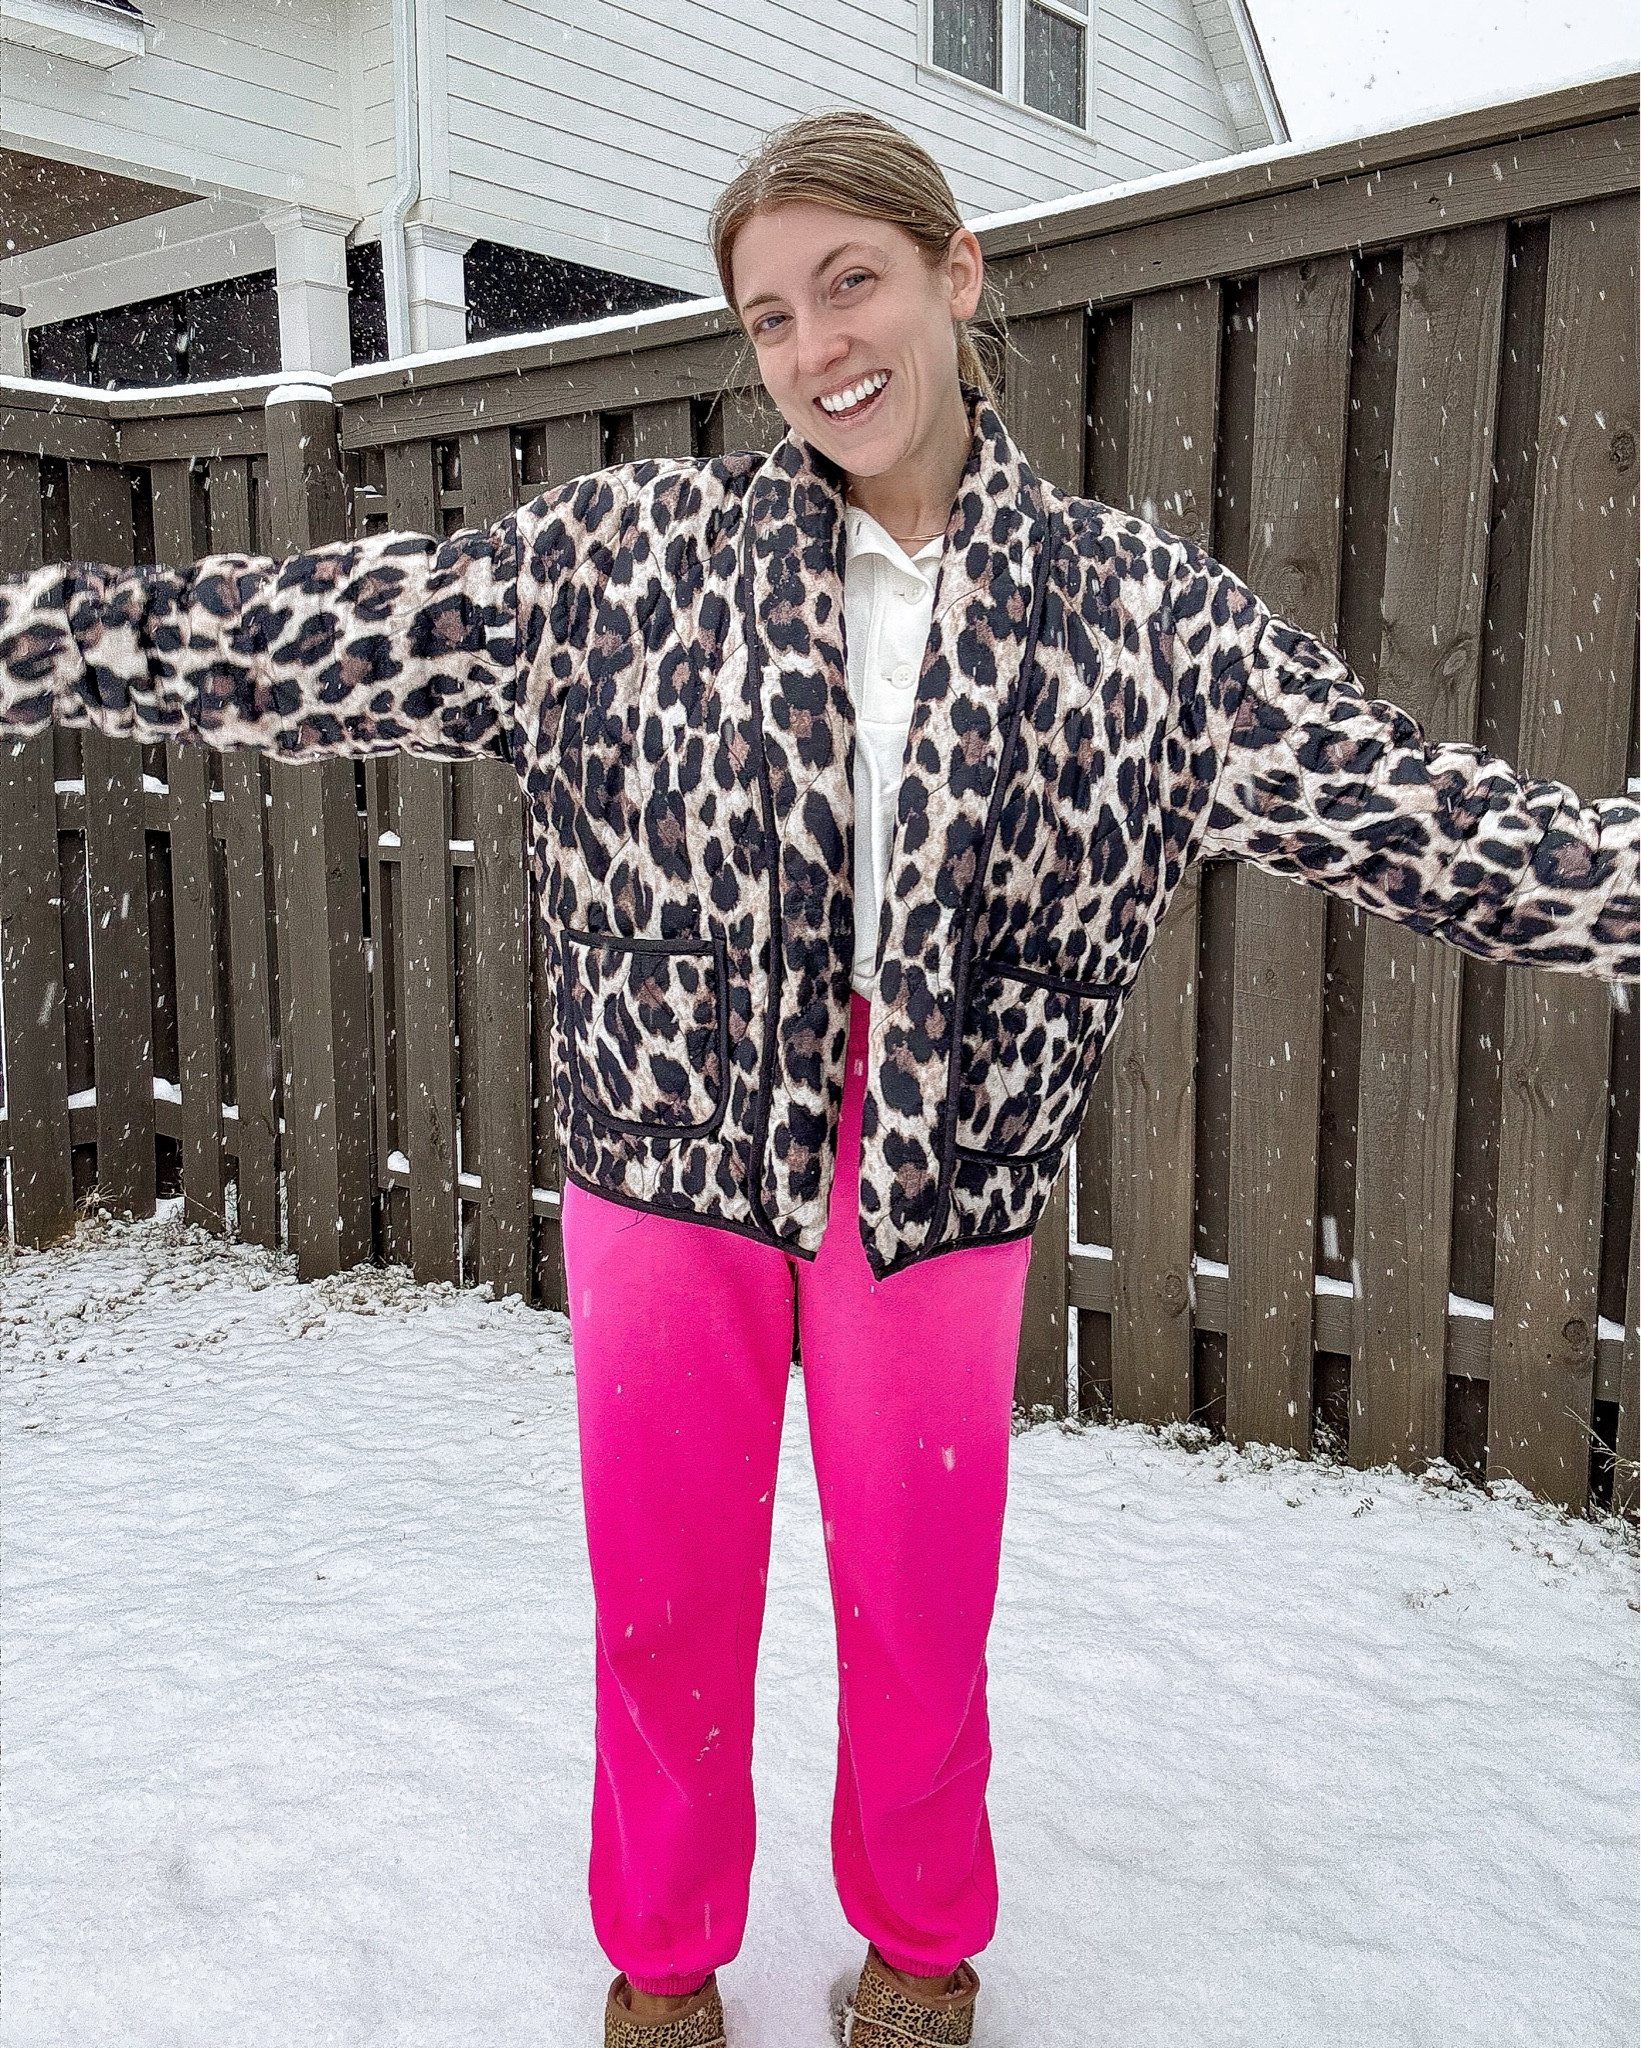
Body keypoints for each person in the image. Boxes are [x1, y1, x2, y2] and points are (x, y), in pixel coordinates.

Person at [2, 108, 1635, 2048]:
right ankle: (664, 1961)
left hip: (928, 1177)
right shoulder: (627, 562)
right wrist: (45, 636)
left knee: (915, 1609)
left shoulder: (1132, 623)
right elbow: (311, 636)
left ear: (954, 273)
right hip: (658, 1158)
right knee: (664, 1611)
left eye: (847, 280)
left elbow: (1414, 821)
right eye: (769, 314)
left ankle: (921, 1944)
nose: (814, 343)